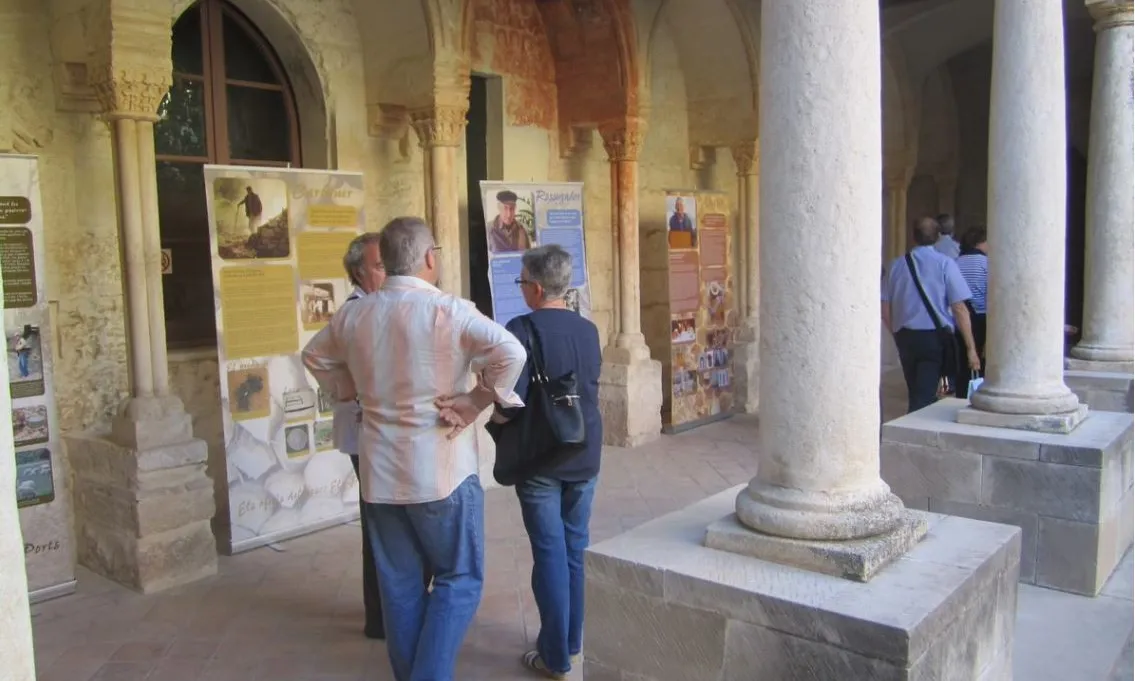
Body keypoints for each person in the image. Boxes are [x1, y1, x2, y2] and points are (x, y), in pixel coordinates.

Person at [304, 217, 527, 681]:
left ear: (384, 260)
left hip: (380, 474)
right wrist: (477, 399)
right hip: (441, 469)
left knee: (400, 588)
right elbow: (513, 352)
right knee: (459, 579)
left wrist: (348, 390)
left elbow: (314, 356)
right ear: (430, 257)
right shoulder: (449, 310)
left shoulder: (355, 313)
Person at [493, 245, 603, 679]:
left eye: (521, 282)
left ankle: (554, 657)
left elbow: (510, 398)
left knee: (550, 552)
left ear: (536, 288)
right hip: (585, 452)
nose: (521, 289)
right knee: (575, 546)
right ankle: (572, 641)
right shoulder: (588, 329)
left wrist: (495, 419)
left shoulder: (519, 328)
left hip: (541, 457)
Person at [882, 217, 980, 413]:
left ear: (913, 236)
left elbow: (884, 305)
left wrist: (895, 331)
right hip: (934, 337)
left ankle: (915, 424)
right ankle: (914, 432)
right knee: (925, 394)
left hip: (905, 336)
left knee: (916, 388)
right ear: (937, 237)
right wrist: (971, 348)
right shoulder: (945, 264)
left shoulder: (896, 265)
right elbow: (959, 307)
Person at [954, 225, 988, 398]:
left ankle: (961, 395)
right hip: (981, 318)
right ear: (980, 243)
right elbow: (992, 294)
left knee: (962, 361)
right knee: (980, 362)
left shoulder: (954, 262)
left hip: (958, 320)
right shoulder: (986, 263)